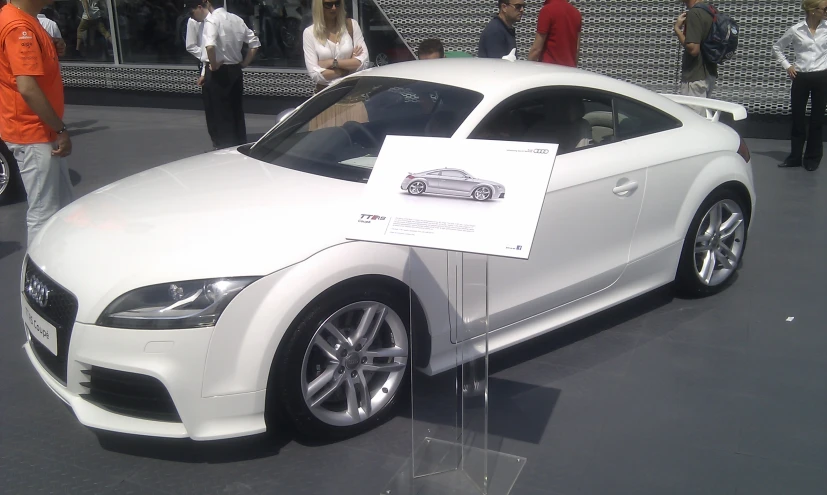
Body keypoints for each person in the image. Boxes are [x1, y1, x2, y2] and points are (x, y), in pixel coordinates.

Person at [0, 0, 74, 245]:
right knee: (44, 213)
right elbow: (27, 87)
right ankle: (37, 275)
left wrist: (49, 47)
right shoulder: (18, 26)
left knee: (62, 206)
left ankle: (62, 263)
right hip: (34, 131)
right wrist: (59, 128)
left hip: (40, 130)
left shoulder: (25, 21)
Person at [187, 0, 260, 149]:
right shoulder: (237, 19)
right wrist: (244, 63)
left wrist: (212, 65)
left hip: (218, 71)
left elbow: (210, 46)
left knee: (218, 113)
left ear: (207, 3)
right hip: (235, 70)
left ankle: (223, 147)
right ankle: (239, 143)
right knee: (236, 110)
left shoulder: (212, 20)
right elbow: (254, 43)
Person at [773, 0, 827, 171]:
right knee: (797, 118)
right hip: (801, 77)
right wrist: (787, 66)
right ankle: (795, 156)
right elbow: (777, 47)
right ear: (813, 11)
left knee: (817, 119)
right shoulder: (796, 30)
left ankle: (813, 158)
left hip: (821, 76)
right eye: (825, 8)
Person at [302, 0, 368, 93]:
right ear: (319, 6)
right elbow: (315, 75)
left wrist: (332, 62)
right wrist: (347, 68)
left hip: (352, 93)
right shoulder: (309, 33)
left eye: (337, 4)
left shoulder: (351, 25)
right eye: (328, 5)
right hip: (326, 96)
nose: (334, 8)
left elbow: (363, 63)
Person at [674, 0, 718, 108]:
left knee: (694, 118)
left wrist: (677, 29)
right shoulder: (711, 11)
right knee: (704, 117)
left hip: (695, 77)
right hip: (709, 74)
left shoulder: (694, 13)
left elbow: (693, 49)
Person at [527, 0, 582, 67]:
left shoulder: (547, 10)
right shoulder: (576, 13)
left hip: (550, 69)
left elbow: (536, 49)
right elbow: (577, 48)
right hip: (569, 70)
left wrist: (528, 68)